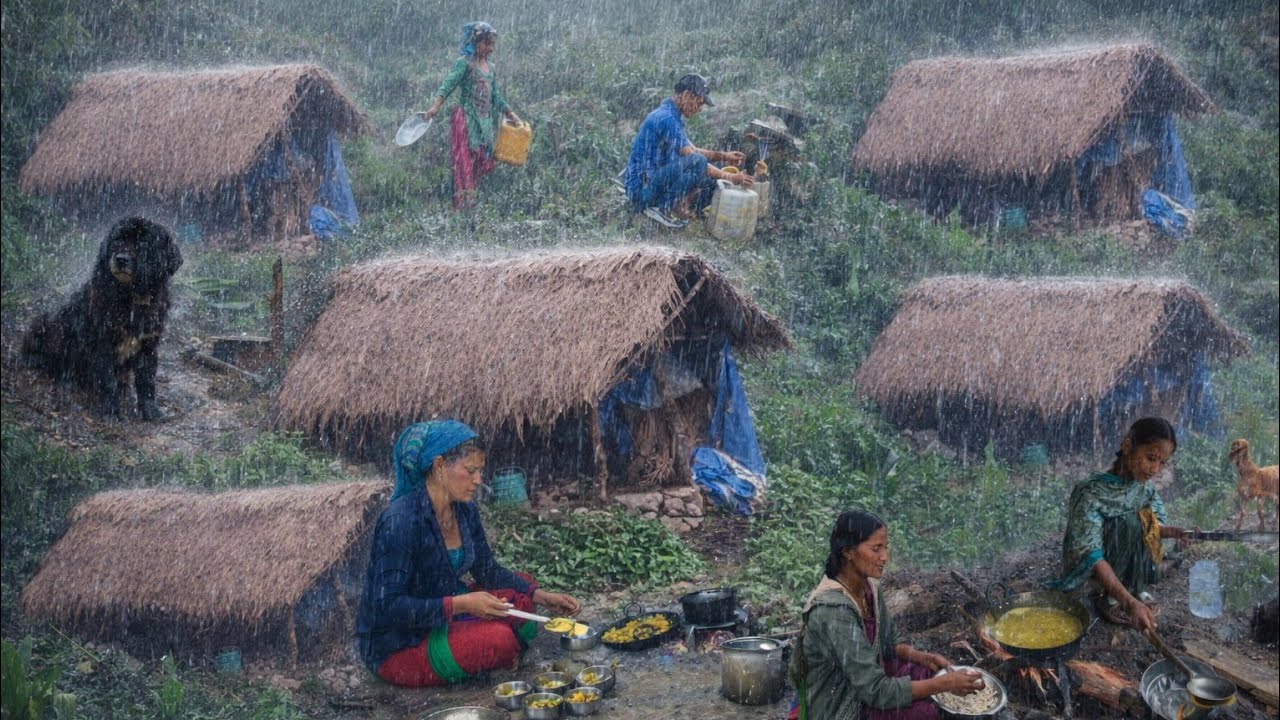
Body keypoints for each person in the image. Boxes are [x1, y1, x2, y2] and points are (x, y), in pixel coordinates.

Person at [356, 420, 581, 687]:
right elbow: (390, 608)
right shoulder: (400, 521)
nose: (478, 480)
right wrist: (461, 605)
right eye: (470, 470)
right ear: (440, 466)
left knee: (520, 599)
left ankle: (487, 650)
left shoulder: (464, 510)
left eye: (480, 471)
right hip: (399, 644)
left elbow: (487, 569)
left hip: (442, 612)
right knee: (499, 640)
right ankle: (491, 651)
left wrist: (540, 595)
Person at [788, 510, 984, 720]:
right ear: (848, 552)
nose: (885, 557)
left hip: (861, 681)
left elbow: (888, 642)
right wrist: (944, 684)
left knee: (928, 672)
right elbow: (875, 691)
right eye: (876, 549)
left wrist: (922, 657)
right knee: (926, 712)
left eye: (885, 547)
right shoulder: (833, 611)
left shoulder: (869, 586)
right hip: (839, 702)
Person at [1049, 417, 1188, 632]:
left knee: (1142, 519)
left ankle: (1133, 586)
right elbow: (1091, 554)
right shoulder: (1091, 492)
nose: (1155, 469)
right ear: (1127, 446)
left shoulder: (1142, 488)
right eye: (1151, 458)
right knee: (1130, 522)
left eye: (1162, 462)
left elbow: (1151, 529)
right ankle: (1110, 597)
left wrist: (1171, 533)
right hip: (1095, 565)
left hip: (1123, 558)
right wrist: (1129, 604)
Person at [623, 73, 755, 228]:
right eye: (698, 103)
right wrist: (730, 177)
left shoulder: (672, 115)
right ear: (686, 95)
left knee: (713, 180)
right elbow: (693, 157)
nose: (699, 109)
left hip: (654, 182)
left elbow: (693, 149)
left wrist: (724, 156)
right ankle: (662, 207)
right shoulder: (666, 118)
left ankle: (681, 204)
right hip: (641, 191)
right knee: (699, 162)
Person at [419, 22, 522, 210]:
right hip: (465, 120)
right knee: (464, 162)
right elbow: (448, 85)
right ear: (477, 42)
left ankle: (473, 204)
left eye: (492, 44)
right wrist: (435, 107)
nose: (491, 49)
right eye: (487, 44)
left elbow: (495, 96)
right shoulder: (464, 63)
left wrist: (511, 114)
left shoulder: (491, 67)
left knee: (480, 161)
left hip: (483, 123)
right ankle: (463, 204)